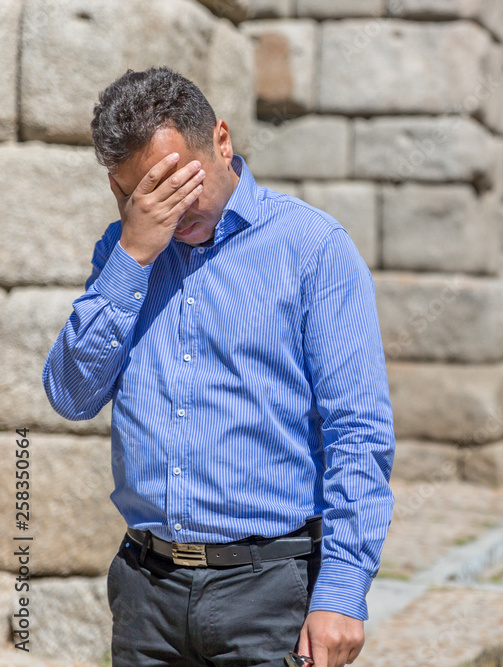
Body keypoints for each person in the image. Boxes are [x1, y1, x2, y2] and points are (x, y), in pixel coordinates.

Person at [42, 67, 395, 667]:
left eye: (179, 182)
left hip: (270, 594)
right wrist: (133, 255)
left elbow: (358, 430)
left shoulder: (313, 248)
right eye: (141, 194)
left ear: (222, 141)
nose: (169, 210)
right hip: (145, 593)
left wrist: (342, 589)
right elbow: (71, 395)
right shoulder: (123, 251)